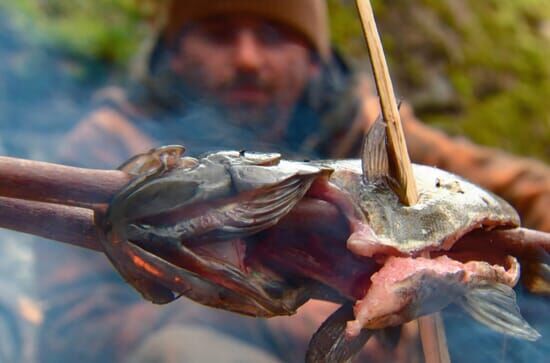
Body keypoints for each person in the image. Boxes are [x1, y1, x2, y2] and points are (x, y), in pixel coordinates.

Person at [36, 1, 550, 362]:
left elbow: (519, 189)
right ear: (173, 51)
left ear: (313, 57)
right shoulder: (112, 149)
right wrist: (243, 309)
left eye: (273, 36)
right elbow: (74, 339)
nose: (247, 59)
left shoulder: (375, 135)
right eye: (219, 34)